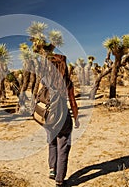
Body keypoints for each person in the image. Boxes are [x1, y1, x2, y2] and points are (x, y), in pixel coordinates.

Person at [36, 53, 79, 187]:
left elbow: (38, 98)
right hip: (63, 118)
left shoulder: (44, 79)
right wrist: (76, 118)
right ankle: (59, 180)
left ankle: (52, 170)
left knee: (52, 142)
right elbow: (72, 102)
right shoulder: (67, 82)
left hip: (48, 117)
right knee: (63, 147)